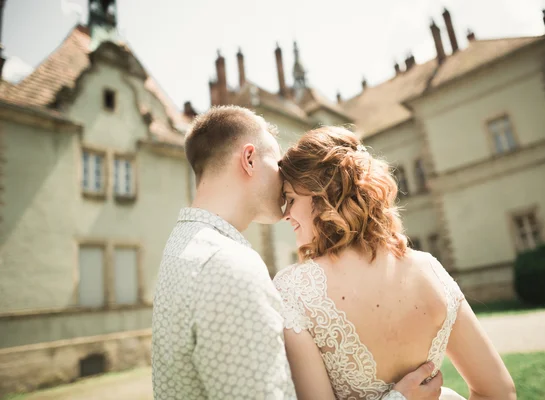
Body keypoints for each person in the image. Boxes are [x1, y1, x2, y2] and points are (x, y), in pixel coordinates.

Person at [151, 106, 444, 399]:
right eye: (277, 163)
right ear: (249, 159)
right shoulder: (229, 266)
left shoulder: (181, 248)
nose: (284, 177)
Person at [274, 126, 517, 400]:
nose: (286, 214)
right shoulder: (429, 269)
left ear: (322, 195)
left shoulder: (294, 288)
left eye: (291, 199)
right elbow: (500, 392)